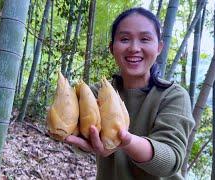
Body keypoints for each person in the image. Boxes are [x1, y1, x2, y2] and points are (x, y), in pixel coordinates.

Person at [65, 7, 195, 180]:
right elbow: (76, 131)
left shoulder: (172, 95)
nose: (134, 48)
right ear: (112, 48)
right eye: (125, 39)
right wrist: (83, 141)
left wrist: (126, 142)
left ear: (159, 47)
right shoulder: (95, 93)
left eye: (145, 39)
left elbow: (170, 161)